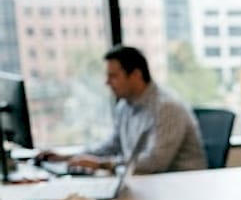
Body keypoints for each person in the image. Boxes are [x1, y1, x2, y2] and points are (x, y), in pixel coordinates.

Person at [36, 45, 205, 174]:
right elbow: (112, 145)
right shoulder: (125, 105)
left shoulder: (167, 108)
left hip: (179, 189)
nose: (107, 83)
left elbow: (155, 162)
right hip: (147, 184)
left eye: (113, 76)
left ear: (136, 75)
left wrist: (103, 164)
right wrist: (70, 157)